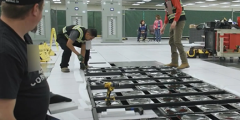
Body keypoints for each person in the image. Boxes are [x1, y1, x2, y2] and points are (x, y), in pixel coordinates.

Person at [0, 0, 50, 120]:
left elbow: (34, 70)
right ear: (35, 9)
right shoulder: (5, 52)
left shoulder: (25, 36)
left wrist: (43, 92)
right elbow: (3, 115)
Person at [161, 0, 190, 69]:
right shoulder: (167, 2)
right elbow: (168, 14)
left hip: (179, 20)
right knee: (171, 42)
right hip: (173, 21)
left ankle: (185, 62)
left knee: (177, 41)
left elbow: (179, 9)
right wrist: (164, 26)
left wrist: (175, 21)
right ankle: (174, 62)